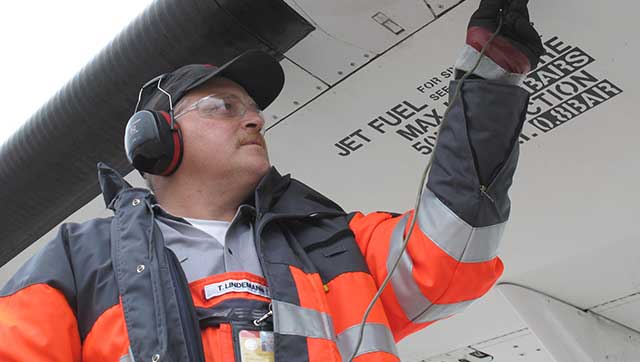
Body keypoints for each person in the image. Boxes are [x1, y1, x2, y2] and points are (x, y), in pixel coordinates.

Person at [0, 0, 543, 361]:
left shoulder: (338, 245)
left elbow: (453, 252)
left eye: (254, 109)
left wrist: (493, 72)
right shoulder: (81, 258)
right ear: (155, 141)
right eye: (222, 106)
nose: (254, 119)